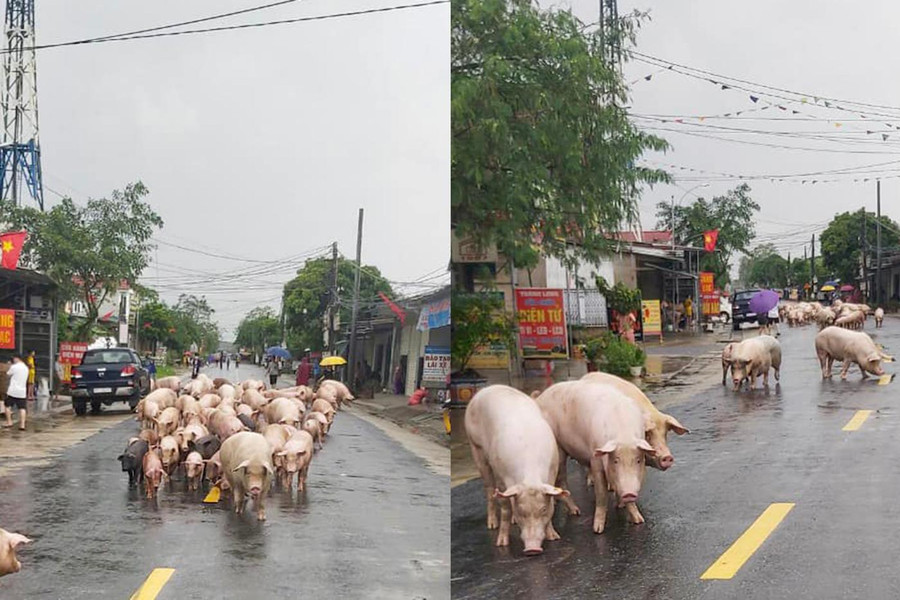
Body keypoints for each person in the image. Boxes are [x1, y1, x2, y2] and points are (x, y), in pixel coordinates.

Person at [5, 354, 29, 430]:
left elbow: (8, 374)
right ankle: (22, 425)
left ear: (17, 358)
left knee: (7, 406)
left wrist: (9, 365)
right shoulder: (26, 368)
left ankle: (9, 422)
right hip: (22, 391)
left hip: (13, 390)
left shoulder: (14, 367)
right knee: (22, 408)